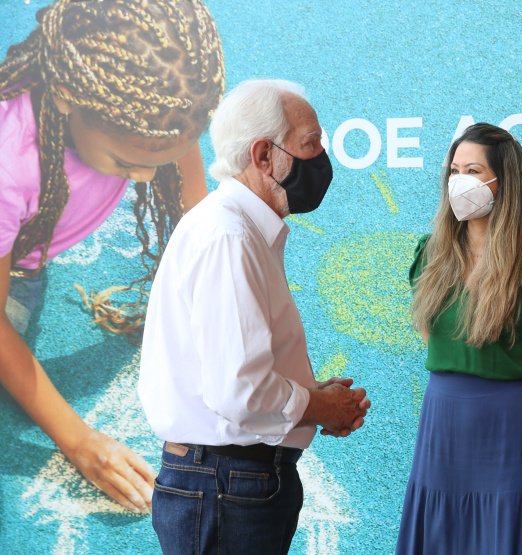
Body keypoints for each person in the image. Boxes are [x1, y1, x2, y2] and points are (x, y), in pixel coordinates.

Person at [0, 0, 224, 512]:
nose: (146, 176)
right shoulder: (8, 164)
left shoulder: (162, 105)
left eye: (161, 158)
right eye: (127, 162)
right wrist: (81, 442)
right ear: (65, 97)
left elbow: (183, 172)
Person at [138, 79, 371, 555]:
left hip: (229, 483)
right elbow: (240, 390)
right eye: (311, 143)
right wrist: (320, 406)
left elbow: (235, 377)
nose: (321, 157)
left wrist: (311, 397)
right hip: (226, 485)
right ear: (264, 155)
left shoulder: (235, 228)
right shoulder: (230, 236)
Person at [396, 123, 522, 554]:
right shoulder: (431, 255)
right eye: (454, 170)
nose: (459, 181)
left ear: (505, 183)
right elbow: (434, 335)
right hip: (443, 420)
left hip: (512, 428)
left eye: (473, 171)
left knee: (505, 535)